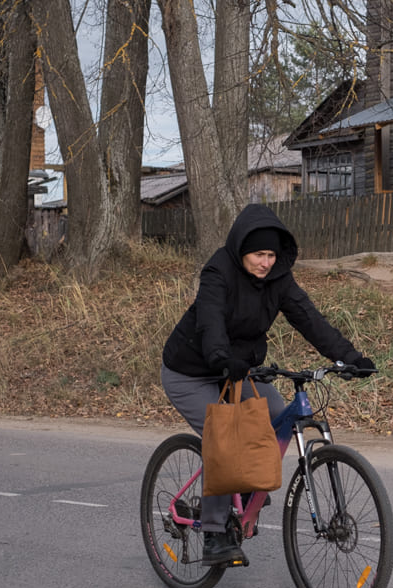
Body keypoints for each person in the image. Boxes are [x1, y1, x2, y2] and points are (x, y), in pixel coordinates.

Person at [161, 203, 376, 566]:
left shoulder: (278, 279)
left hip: (238, 369)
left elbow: (310, 319)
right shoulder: (218, 271)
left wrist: (349, 356)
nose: (266, 262)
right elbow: (210, 321)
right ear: (242, 250)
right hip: (192, 372)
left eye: (272, 255)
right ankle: (214, 533)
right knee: (226, 442)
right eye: (259, 254)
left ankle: (244, 487)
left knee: (278, 414)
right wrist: (219, 356)